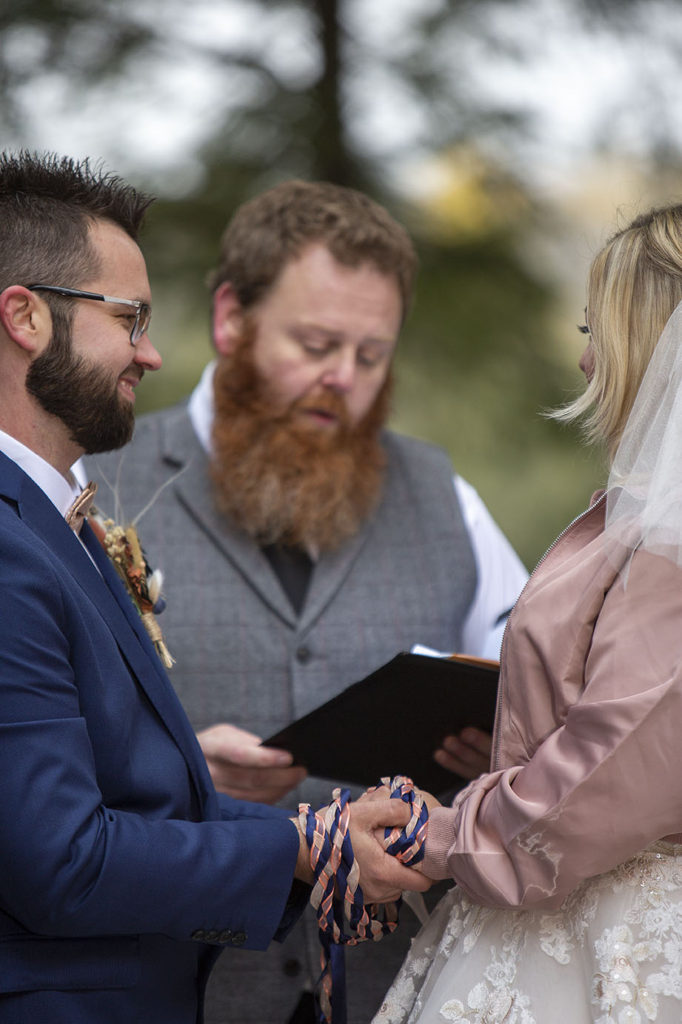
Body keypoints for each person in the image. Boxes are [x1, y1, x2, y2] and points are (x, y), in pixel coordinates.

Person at [0, 150, 431, 1024]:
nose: (150, 353)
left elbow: (111, 796)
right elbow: (63, 864)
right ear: (26, 317)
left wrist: (319, 839)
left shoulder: (56, 523)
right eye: (130, 319)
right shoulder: (9, 549)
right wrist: (298, 851)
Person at [84, 179, 528, 1023]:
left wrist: (501, 753)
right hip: (172, 985)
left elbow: (543, 688)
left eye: (371, 355)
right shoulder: (97, 479)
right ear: (230, 319)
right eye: (316, 342)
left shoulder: (444, 494)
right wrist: (174, 771)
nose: (342, 379)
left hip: (395, 986)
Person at [373, 202, 682, 1023]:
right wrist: (511, 743)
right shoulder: (642, 521)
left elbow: (615, 751)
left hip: (602, 933)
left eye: (597, 330)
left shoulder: (672, 545)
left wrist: (441, 833)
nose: (585, 361)